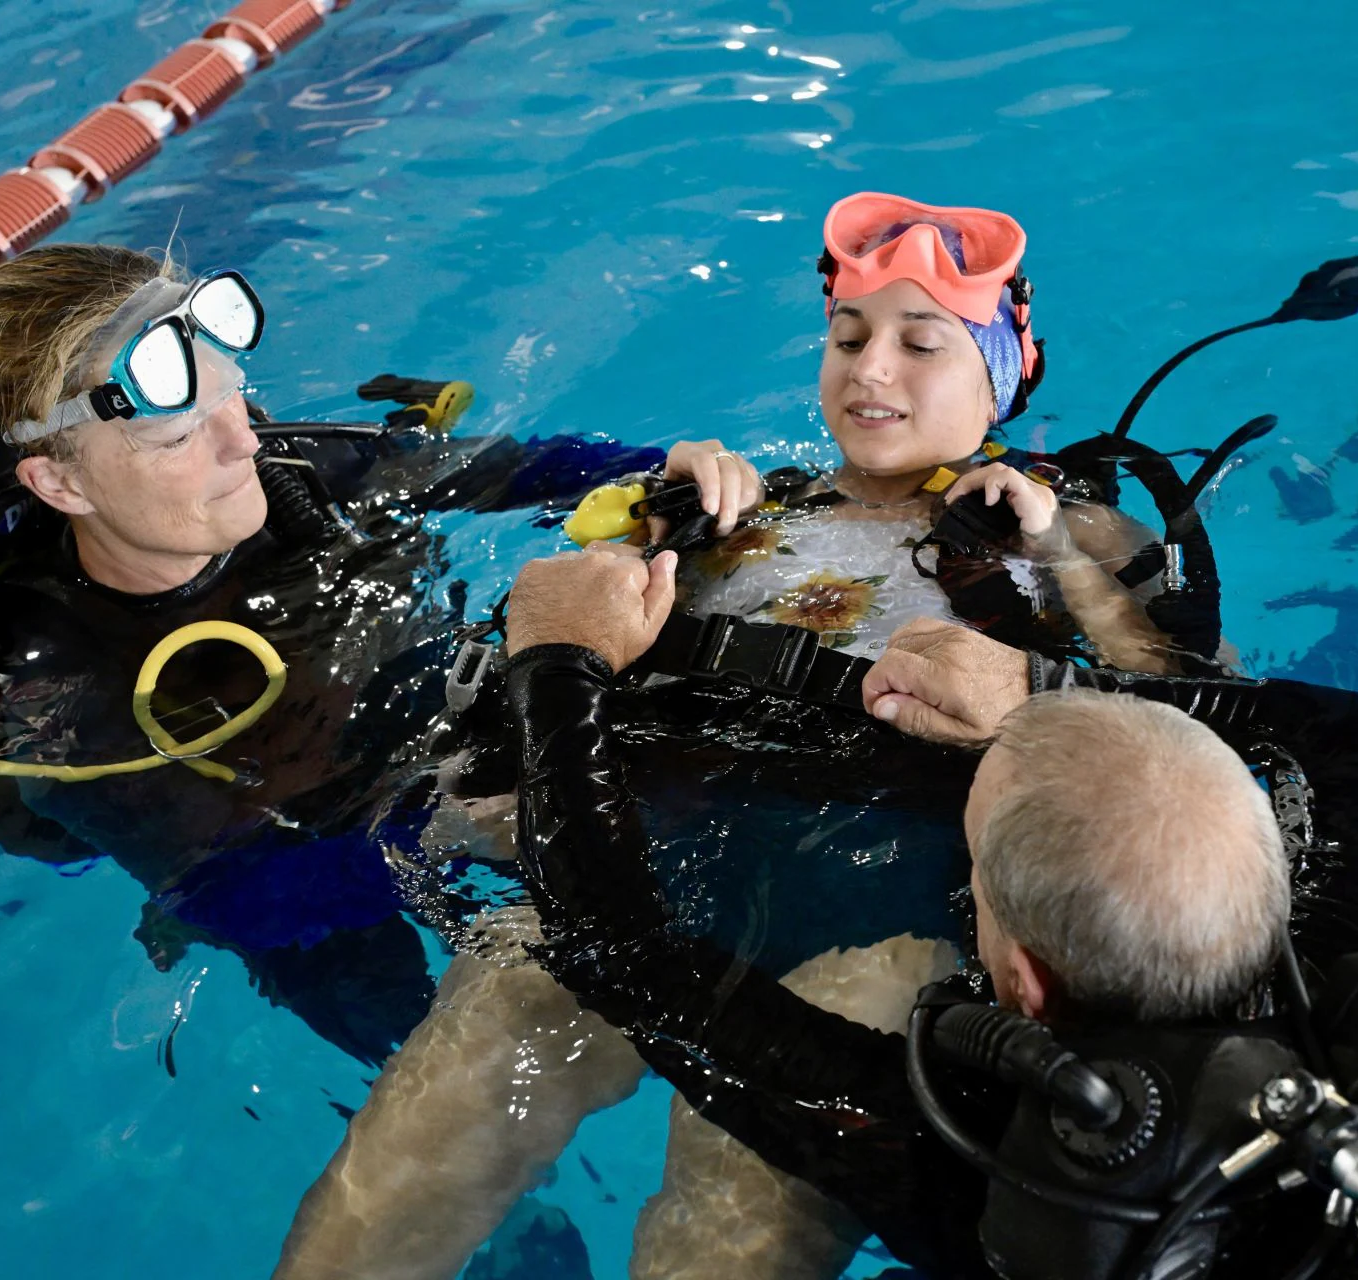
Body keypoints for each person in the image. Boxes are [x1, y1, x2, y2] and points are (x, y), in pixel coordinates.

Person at [274, 192, 1190, 1278]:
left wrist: (1064, 551)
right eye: (848, 337)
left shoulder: (1068, 523)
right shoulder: (753, 504)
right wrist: (662, 521)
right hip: (650, 861)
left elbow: (1185, 709)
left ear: (1003, 370)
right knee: (406, 1161)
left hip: (884, 904)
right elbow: (575, 638)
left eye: (922, 342)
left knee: (723, 1224)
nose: (871, 369)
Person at [496, 546, 1358, 1279]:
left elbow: (622, 954)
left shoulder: (1008, 1165)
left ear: (1022, 981)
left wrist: (556, 655)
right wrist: (1039, 694)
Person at [0, 241, 664, 1064]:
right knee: (423, 1046)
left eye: (235, 396)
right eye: (179, 437)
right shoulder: (60, 687)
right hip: (295, 859)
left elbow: (513, 469)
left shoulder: (293, 478)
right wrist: (457, 822)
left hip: (411, 754)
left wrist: (668, 476)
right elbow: (237, 901)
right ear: (61, 487)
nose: (243, 444)